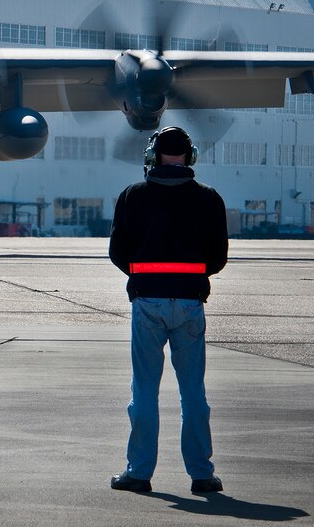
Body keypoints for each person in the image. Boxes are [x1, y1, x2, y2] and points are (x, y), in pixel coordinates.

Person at [108, 126, 228, 494]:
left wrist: (143, 274)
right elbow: (218, 259)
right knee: (193, 392)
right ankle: (202, 475)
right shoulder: (210, 199)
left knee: (144, 390)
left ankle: (140, 473)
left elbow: (117, 252)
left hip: (147, 303)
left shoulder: (132, 196)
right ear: (189, 157)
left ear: (152, 156)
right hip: (191, 304)